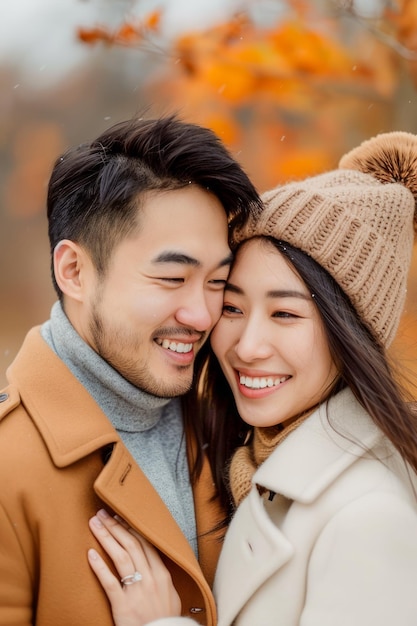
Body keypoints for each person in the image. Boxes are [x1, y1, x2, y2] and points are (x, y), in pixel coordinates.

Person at [87, 130, 417, 625]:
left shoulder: (367, 516)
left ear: (353, 333)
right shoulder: (246, 467)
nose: (246, 346)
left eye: (285, 314)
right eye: (233, 306)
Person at [0, 114, 262, 626]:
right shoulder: (10, 467)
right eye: (171, 277)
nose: (203, 315)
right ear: (74, 271)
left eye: (217, 282)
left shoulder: (230, 424)